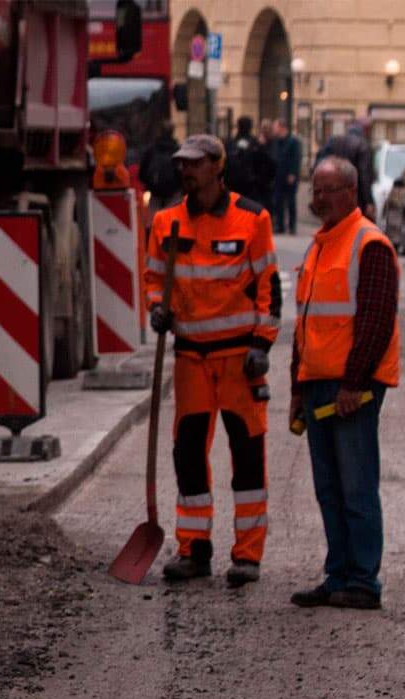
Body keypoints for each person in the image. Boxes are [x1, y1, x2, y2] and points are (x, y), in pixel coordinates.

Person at [143, 135, 280, 587]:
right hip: (191, 359)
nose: (186, 171)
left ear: (217, 168)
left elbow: (269, 287)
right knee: (188, 454)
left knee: (246, 454)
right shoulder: (166, 222)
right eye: (182, 163)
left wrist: (263, 342)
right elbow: (154, 277)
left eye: (196, 164)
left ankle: (247, 556)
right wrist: (155, 308)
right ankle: (194, 550)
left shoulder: (252, 218)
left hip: (239, 357)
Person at [289, 158, 398, 610]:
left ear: (351, 192)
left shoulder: (368, 243)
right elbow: (307, 322)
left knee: (356, 487)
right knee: (329, 488)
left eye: (328, 190)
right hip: (318, 382)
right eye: (315, 190)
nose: (318, 199)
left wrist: (353, 384)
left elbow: (374, 321)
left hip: (351, 387)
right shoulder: (320, 245)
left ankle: (362, 581)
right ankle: (338, 575)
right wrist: (297, 385)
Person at [316, 118, 376, 219]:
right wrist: (369, 201)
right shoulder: (363, 145)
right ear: (366, 129)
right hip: (355, 196)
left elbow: (319, 164)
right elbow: (364, 175)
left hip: (333, 193)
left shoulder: (333, 141)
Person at [226, 116, 276, 206]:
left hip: (234, 187)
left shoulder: (230, 143)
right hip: (252, 188)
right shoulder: (256, 144)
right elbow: (268, 166)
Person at [269, 119, 303, 234]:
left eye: (275, 127)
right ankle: (280, 225)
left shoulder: (294, 142)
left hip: (289, 176)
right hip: (278, 176)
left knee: (290, 201)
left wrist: (293, 173)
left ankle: (292, 226)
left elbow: (296, 158)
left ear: (282, 128)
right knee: (278, 201)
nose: (274, 129)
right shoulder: (276, 142)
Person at [139, 121, 183, 209]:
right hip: (173, 193)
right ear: (173, 132)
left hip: (155, 193)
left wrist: (150, 186)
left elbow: (142, 172)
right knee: (171, 219)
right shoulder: (178, 150)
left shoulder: (151, 150)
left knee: (155, 220)